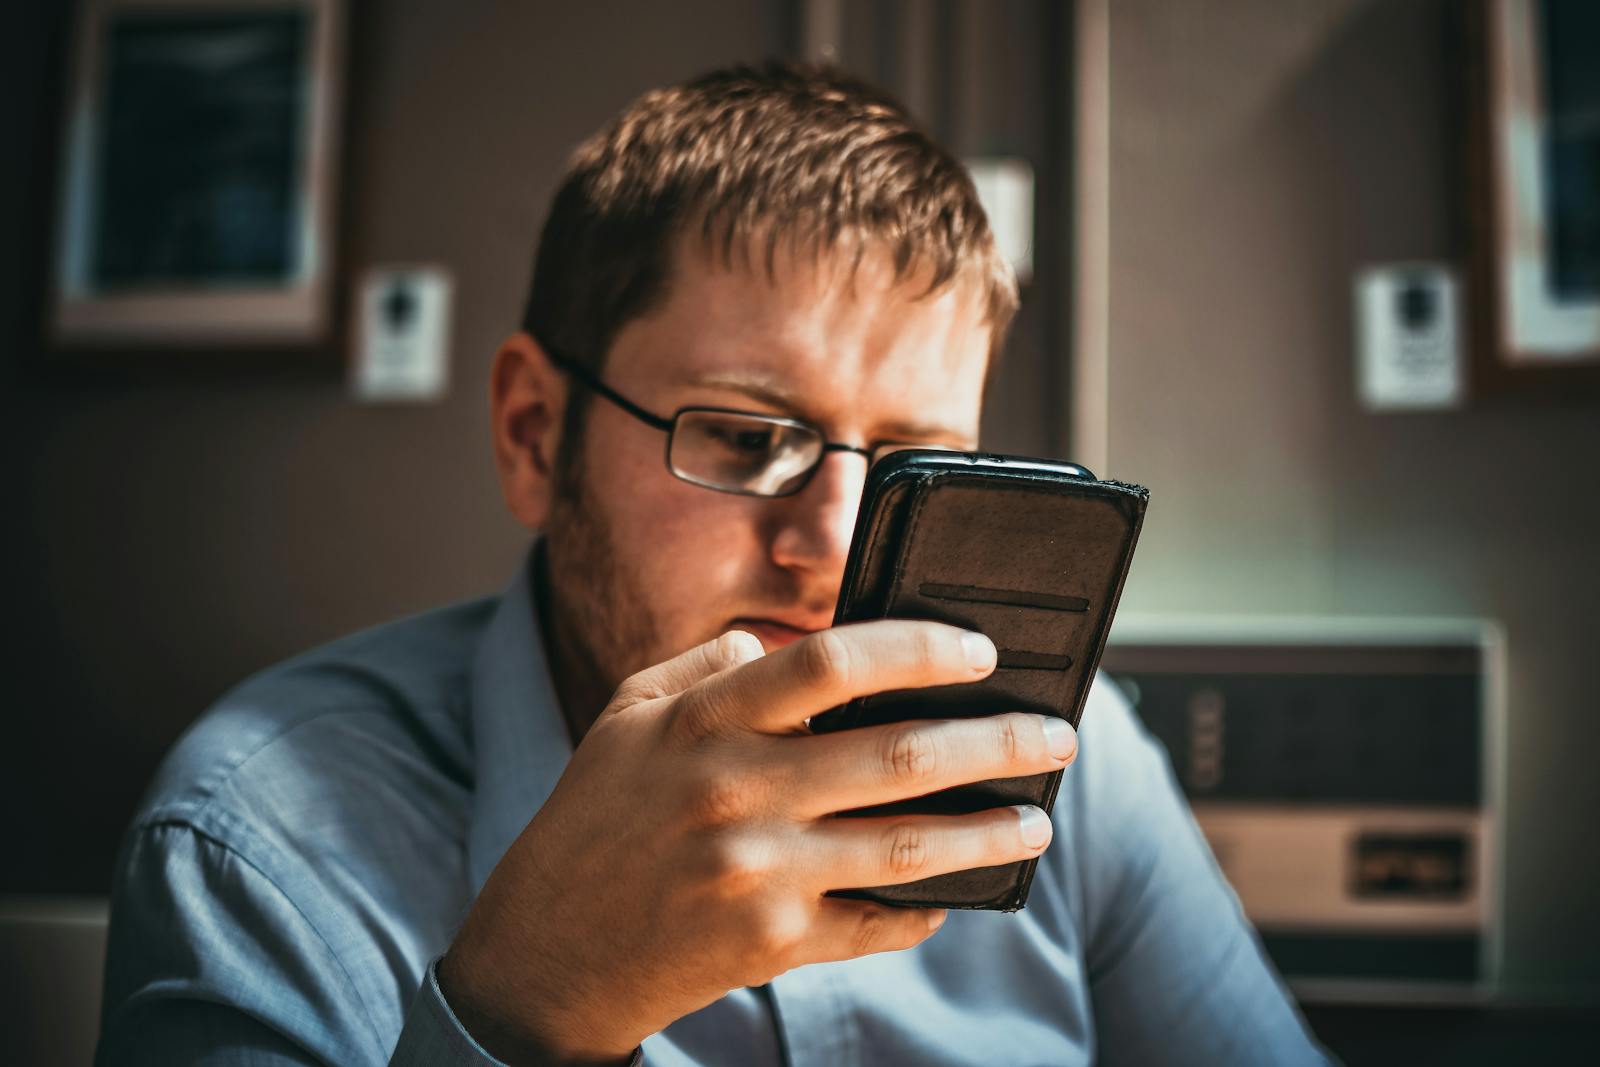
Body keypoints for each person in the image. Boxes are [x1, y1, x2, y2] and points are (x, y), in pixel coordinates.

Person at [97, 63, 1326, 1066]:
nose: (834, 546)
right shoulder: (254, 847)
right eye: (745, 437)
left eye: (911, 463)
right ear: (536, 433)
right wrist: (521, 1015)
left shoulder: (1064, 760)